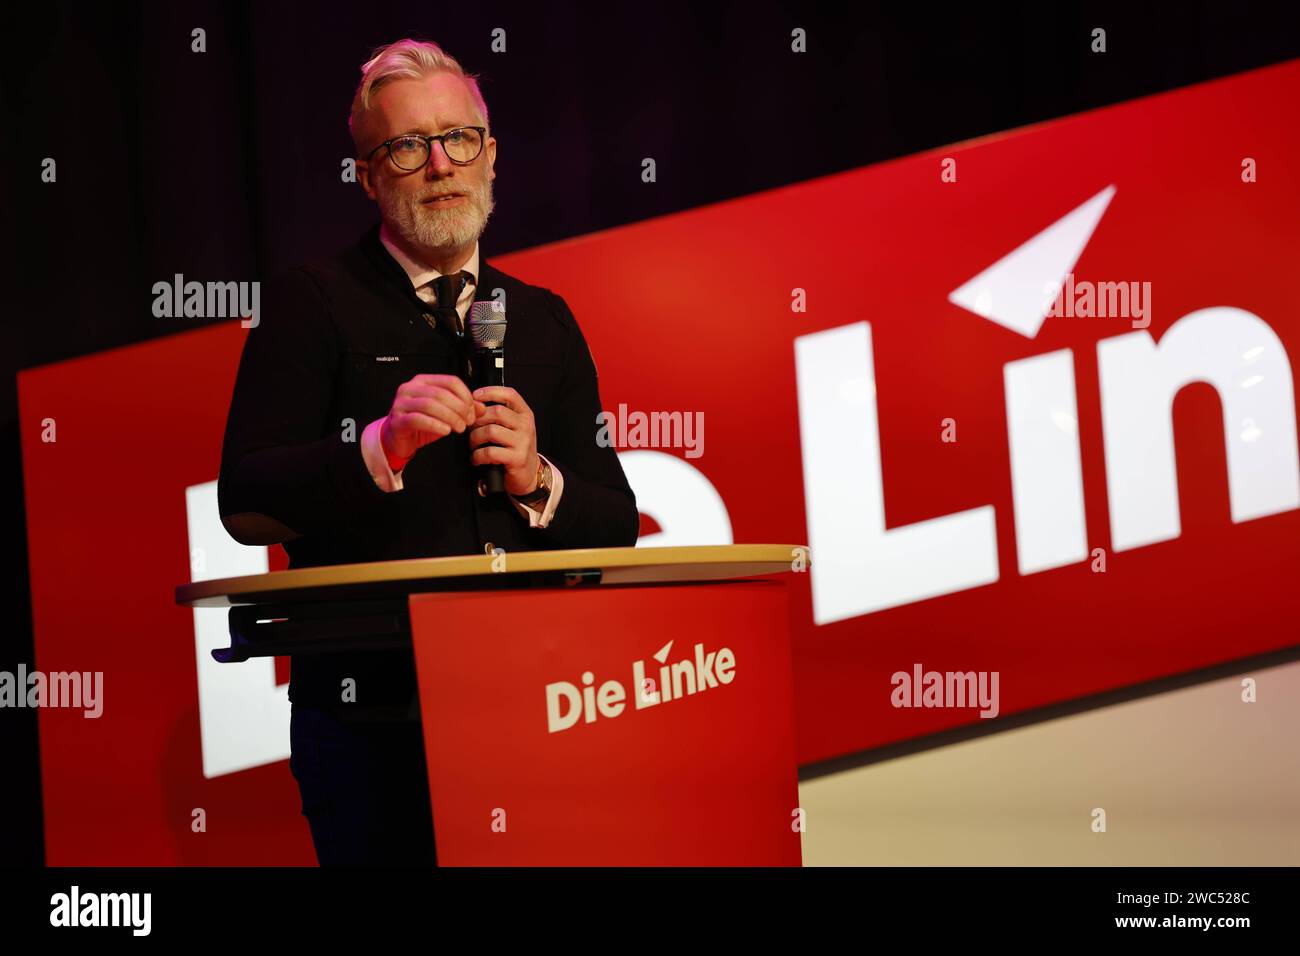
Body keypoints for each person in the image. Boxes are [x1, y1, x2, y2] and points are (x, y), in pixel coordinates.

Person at [217, 38, 639, 866]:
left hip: (539, 703)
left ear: (492, 159)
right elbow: (245, 499)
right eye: (407, 146)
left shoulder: (546, 318)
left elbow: (617, 521)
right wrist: (375, 451)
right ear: (369, 176)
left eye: (459, 140)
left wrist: (538, 480)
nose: (440, 164)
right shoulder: (311, 306)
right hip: (371, 717)